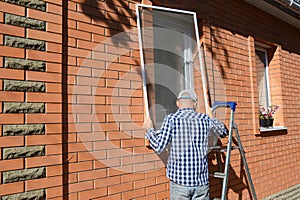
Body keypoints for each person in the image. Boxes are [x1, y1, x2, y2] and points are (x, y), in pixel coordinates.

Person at [143, 90, 228, 200]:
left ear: (178, 103)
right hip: (200, 183)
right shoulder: (205, 119)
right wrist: (211, 116)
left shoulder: (171, 120)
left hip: (179, 184)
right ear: (195, 104)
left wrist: (149, 130)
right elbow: (223, 132)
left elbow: (159, 146)